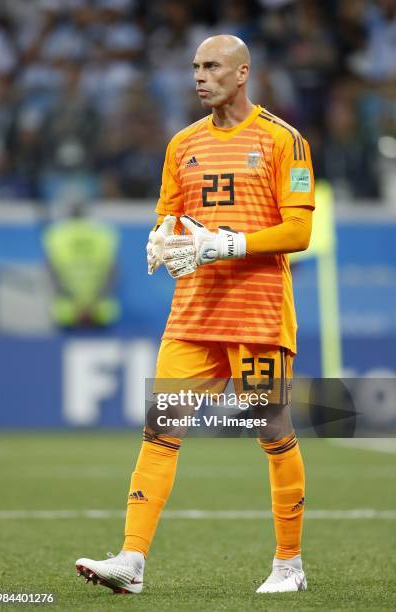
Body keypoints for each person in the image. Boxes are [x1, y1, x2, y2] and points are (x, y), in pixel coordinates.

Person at [75, 34, 314, 595]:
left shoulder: (286, 141)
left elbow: (299, 229)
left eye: (211, 66)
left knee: (273, 430)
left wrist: (228, 245)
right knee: (160, 428)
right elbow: (169, 217)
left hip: (257, 314)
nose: (200, 76)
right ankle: (131, 562)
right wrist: (163, 239)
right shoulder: (182, 144)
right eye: (195, 67)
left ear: (242, 73)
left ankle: (289, 565)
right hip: (193, 315)